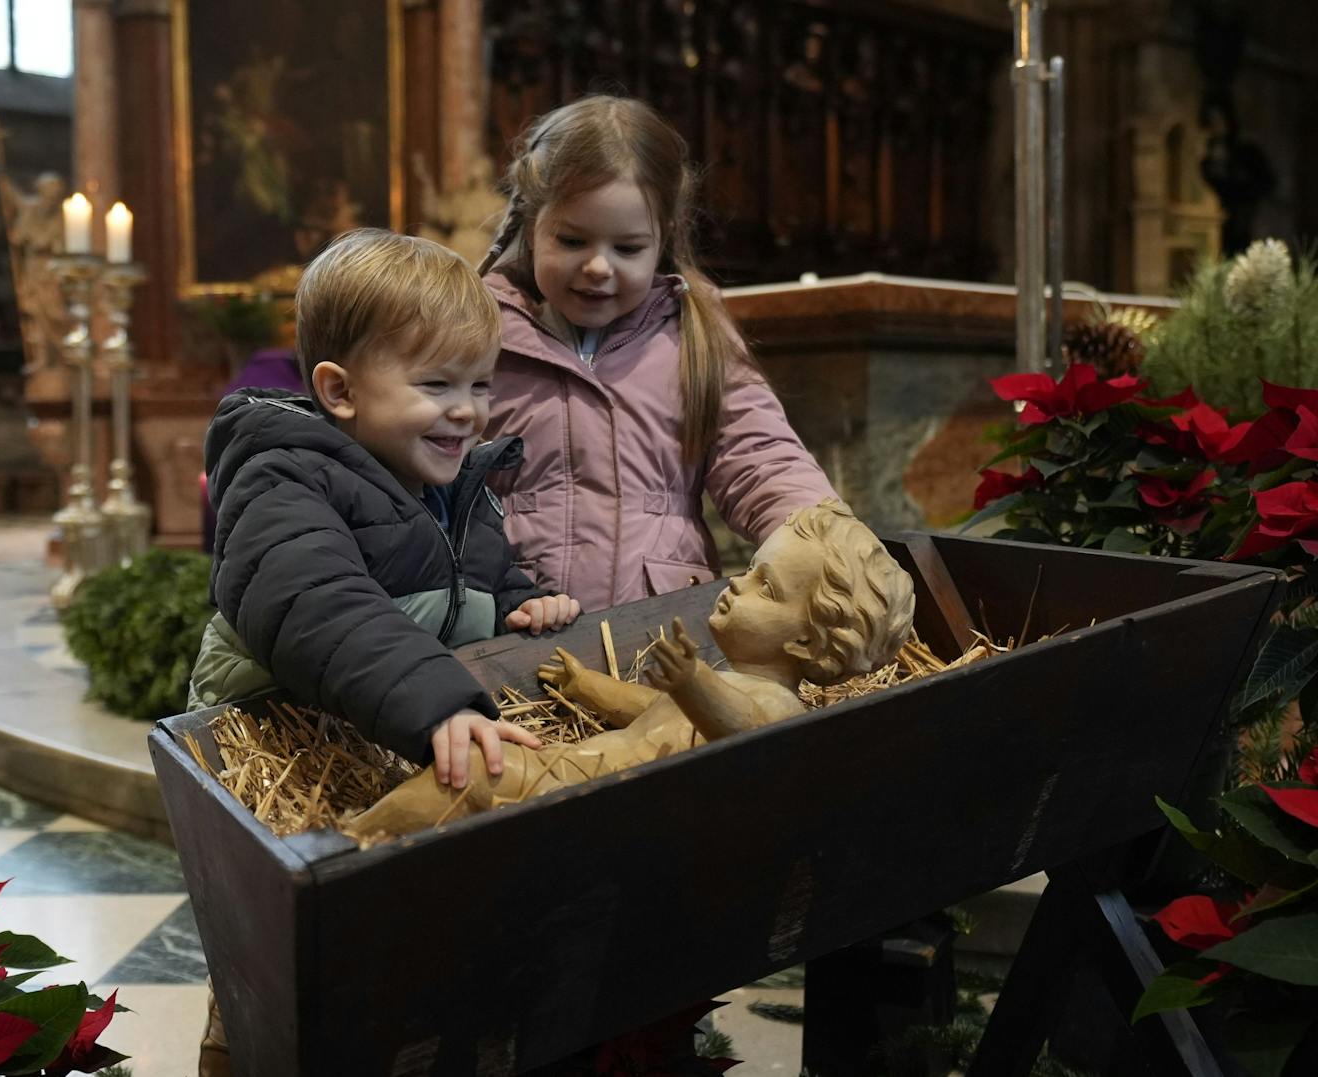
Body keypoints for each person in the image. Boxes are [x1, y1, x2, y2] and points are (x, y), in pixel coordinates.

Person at [189, 228, 582, 1075]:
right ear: (337, 389)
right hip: (284, 767)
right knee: (280, 999)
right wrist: (434, 697)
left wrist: (518, 604)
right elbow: (315, 603)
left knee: (408, 986)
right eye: (436, 383)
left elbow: (468, 579)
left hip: (386, 753)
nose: (468, 409)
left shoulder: (446, 485)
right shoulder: (283, 476)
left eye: (480, 383)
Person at [346, 501, 914, 841]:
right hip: (577, 771)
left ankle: (359, 842)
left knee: (469, 773)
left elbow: (746, 735)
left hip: (595, 799)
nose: (737, 583)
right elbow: (652, 713)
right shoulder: (719, 676)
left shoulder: (776, 705)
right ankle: (368, 835)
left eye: (766, 588)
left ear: (806, 639)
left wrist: (694, 682)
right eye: (752, 569)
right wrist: (588, 686)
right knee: (468, 773)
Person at [477, 95, 839, 611]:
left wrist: (821, 534)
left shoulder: (694, 332)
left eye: (627, 249)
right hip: (515, 622)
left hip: (664, 628)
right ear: (533, 227)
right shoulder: (479, 333)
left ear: (661, 239)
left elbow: (758, 456)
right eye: (573, 240)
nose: (599, 267)